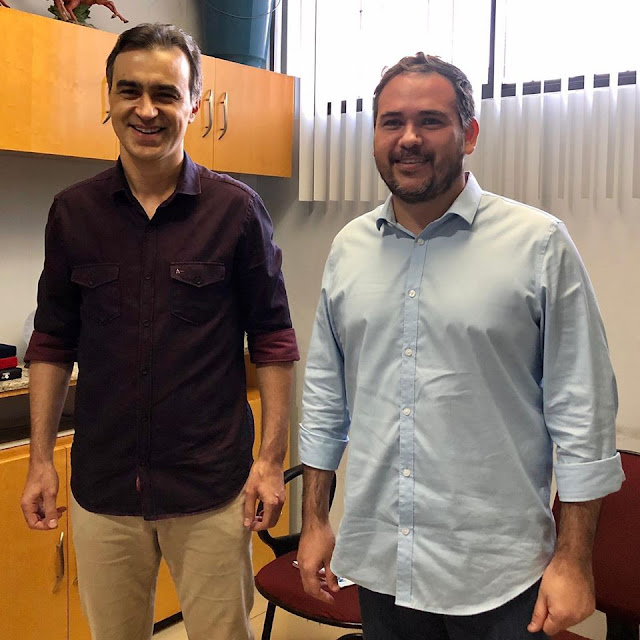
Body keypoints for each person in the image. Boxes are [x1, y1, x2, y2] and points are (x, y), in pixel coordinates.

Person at [297, 52, 624, 640]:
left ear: (469, 134)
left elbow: (583, 412)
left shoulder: (538, 244)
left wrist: (574, 560)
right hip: (382, 562)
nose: (409, 138)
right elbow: (325, 397)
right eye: (392, 122)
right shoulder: (349, 249)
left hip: (498, 574)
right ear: (374, 137)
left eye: (431, 120)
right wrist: (315, 518)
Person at [20, 23, 299, 640]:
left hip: (210, 489)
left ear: (194, 105)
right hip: (105, 488)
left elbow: (274, 341)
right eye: (130, 91)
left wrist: (270, 461)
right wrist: (40, 462)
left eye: (166, 94)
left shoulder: (236, 211)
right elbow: (52, 343)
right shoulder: (72, 213)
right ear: (109, 99)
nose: (146, 110)